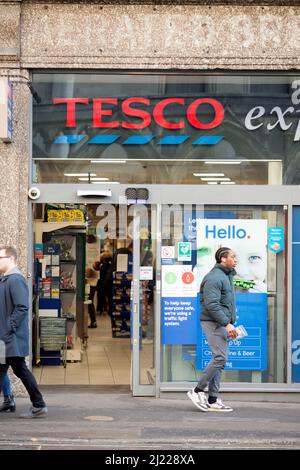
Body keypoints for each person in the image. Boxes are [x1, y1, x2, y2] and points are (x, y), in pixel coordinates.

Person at [187, 247, 238, 413]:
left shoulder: (225, 276)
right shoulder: (215, 277)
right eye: (233, 256)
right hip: (213, 322)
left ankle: (213, 399)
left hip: (220, 323)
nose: (236, 259)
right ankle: (197, 391)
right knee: (220, 358)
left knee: (220, 361)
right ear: (223, 259)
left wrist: (229, 323)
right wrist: (227, 323)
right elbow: (212, 304)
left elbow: (224, 303)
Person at [0, 245, 47, 418]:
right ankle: (39, 404)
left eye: (0, 258)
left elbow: (22, 307)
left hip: (9, 337)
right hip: (7, 337)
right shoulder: (5, 279)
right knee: (20, 369)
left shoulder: (15, 279)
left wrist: (8, 327)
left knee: (5, 369)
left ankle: (39, 404)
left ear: (11, 259)